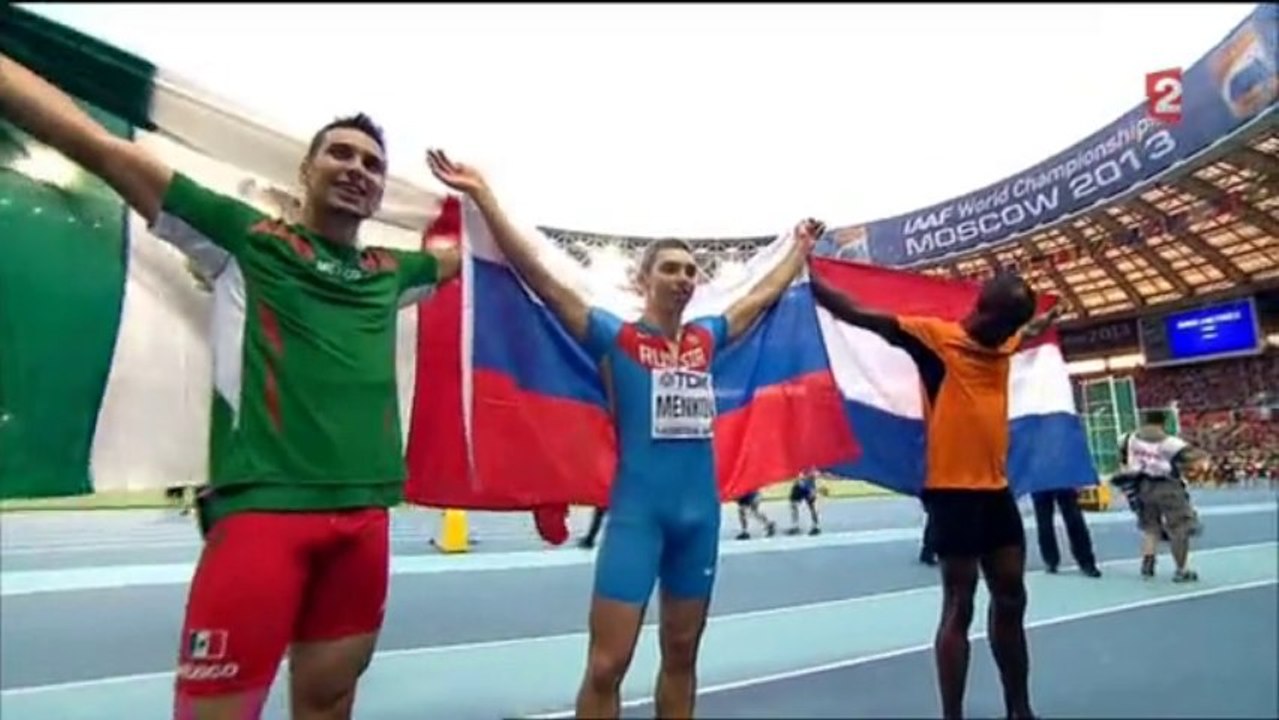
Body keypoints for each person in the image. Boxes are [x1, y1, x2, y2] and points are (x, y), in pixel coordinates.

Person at [0, 55, 460, 720]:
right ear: (305, 171)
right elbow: (100, 148)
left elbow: (473, 263)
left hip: (366, 518)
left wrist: (483, 202)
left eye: (371, 163)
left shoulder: (392, 271)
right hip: (262, 517)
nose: (357, 168)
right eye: (340, 153)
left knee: (331, 703)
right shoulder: (246, 238)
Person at [426, 147, 820, 720]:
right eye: (670, 268)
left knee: (682, 655)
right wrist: (484, 196)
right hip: (638, 517)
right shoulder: (615, 338)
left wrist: (799, 249)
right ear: (643, 279)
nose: (683, 278)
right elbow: (542, 279)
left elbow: (760, 298)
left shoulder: (706, 339)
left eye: (690, 270)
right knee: (607, 665)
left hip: (699, 520)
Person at [810, 269, 1059, 720]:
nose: (1007, 335)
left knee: (1012, 598)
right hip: (952, 494)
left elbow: (1023, 333)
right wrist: (805, 276)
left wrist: (1037, 325)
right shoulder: (934, 340)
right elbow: (858, 313)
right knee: (959, 605)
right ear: (982, 310)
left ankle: (1020, 710)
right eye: (1004, 324)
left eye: (1013, 327)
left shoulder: (1003, 341)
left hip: (996, 491)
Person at [1116, 409, 1206, 582]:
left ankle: (1148, 564)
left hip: (1141, 486)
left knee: (1150, 527)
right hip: (1167, 487)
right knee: (1178, 527)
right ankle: (1181, 569)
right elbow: (1194, 460)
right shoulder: (1172, 443)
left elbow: (1123, 459)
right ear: (1163, 423)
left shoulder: (1128, 439)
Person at [1030, 488, 1101, 577]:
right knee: (1072, 518)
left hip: (1040, 485)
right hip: (1062, 484)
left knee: (1045, 522)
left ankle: (1050, 560)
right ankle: (1085, 561)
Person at [786, 468, 824, 536]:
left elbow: (817, 473)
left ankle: (815, 526)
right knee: (793, 504)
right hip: (800, 485)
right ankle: (795, 526)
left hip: (809, 484)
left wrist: (813, 476)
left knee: (812, 505)